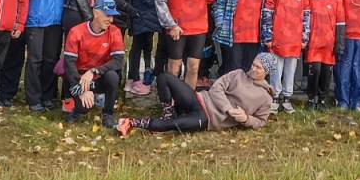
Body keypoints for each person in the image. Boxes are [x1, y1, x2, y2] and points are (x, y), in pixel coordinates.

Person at [114, 53, 277, 136]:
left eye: (258, 68)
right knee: (164, 78)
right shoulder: (238, 74)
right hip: (200, 99)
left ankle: (130, 123)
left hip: (208, 119)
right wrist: (227, 108)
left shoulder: (265, 97)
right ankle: (168, 111)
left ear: (266, 72)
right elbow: (216, 88)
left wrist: (246, 119)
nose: (253, 69)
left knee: (171, 126)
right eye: (254, 64)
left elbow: (261, 122)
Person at [60, 0, 125, 127]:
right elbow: (69, 64)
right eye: (107, 15)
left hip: (97, 76)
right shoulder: (76, 32)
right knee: (84, 108)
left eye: (112, 16)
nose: (110, 20)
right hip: (77, 79)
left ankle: (108, 114)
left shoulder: (115, 31)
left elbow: (118, 61)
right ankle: (76, 108)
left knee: (113, 76)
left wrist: (94, 71)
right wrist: (82, 90)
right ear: (96, 13)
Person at [24, 0, 66, 113]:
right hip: (37, 19)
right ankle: (33, 98)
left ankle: (48, 95)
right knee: (35, 60)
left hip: (56, 19)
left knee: (51, 59)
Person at [263, 0, 310, 112]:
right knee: (276, 68)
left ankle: (287, 96)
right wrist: (267, 35)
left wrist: (305, 36)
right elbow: (267, 13)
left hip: (294, 38)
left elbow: (306, 16)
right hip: (278, 36)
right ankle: (275, 95)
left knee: (291, 68)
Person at [305, 0, 346, 109]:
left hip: (329, 43)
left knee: (326, 72)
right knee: (314, 70)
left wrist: (339, 43)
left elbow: (340, 23)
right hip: (314, 42)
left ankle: (322, 99)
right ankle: (311, 98)